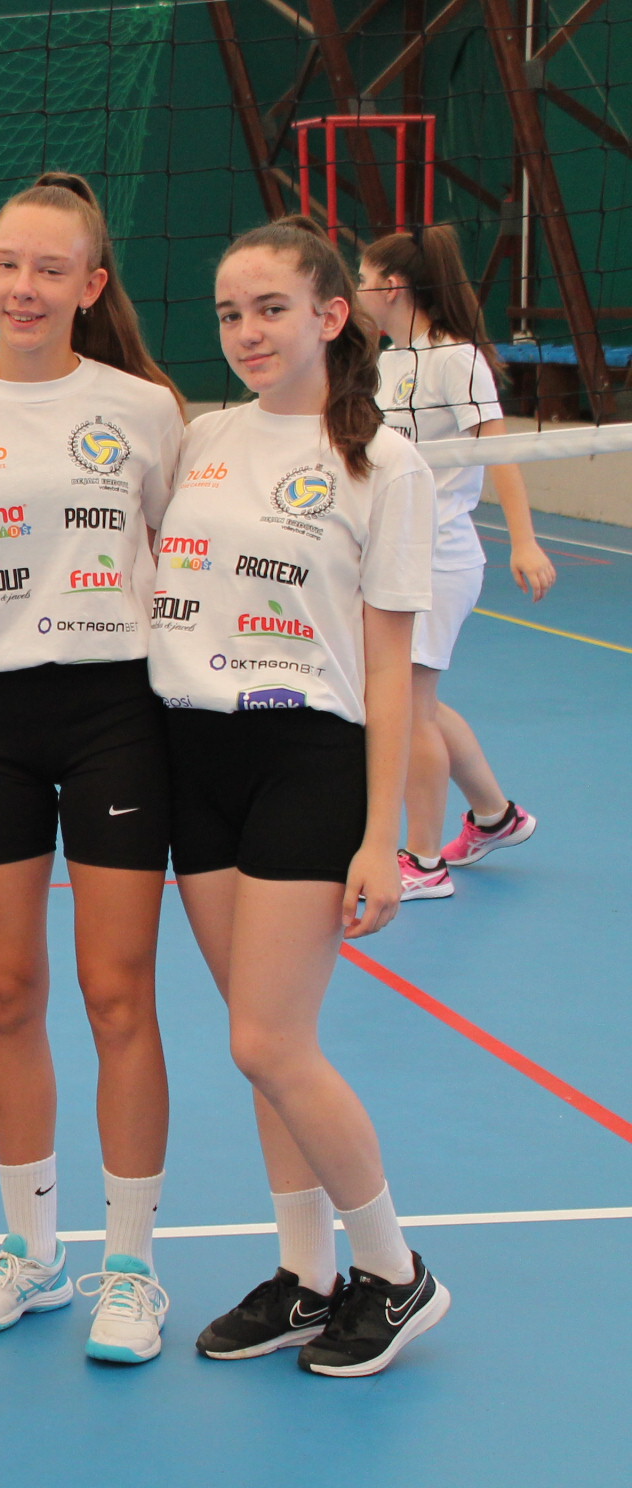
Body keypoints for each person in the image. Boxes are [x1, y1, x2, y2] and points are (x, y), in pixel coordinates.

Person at [0, 172, 185, 1363]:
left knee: (117, 993)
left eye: (51, 269)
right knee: (7, 991)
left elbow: (184, 553)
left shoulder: (147, 410)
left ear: (91, 285)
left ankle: (132, 1265)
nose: (24, 286)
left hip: (116, 711)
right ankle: (34, 1249)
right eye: (8, 263)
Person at [155, 214, 450, 1377]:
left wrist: (383, 838)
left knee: (270, 1038)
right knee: (259, 1048)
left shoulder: (383, 463)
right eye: (230, 312)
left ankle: (394, 1269)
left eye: (271, 308)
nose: (247, 331)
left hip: (306, 759)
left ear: (332, 315)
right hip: (195, 757)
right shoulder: (203, 439)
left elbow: (390, 667)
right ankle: (306, 1275)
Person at [354, 226, 554, 898]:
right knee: (420, 704)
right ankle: (495, 817)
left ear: (392, 287)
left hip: (439, 557)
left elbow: (499, 452)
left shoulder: (455, 358)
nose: (356, 288)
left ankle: (423, 861)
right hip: (394, 554)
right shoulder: (383, 363)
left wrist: (523, 541)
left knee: (407, 709)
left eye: (362, 278)